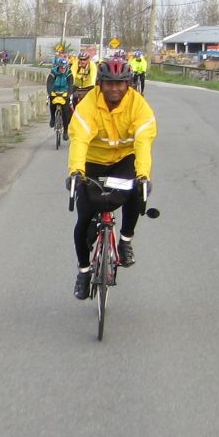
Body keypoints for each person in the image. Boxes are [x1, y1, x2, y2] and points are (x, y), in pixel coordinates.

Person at [65, 56, 157, 299]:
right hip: (92, 162)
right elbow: (79, 139)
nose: (114, 88)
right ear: (100, 84)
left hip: (123, 160)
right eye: (109, 83)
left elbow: (143, 141)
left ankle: (125, 240)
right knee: (84, 218)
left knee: (136, 190)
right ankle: (83, 272)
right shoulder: (88, 105)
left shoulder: (138, 105)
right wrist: (76, 172)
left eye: (120, 83)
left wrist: (143, 175)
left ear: (128, 84)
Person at [47, 56, 74, 138]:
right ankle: (52, 118)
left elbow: (71, 84)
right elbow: (49, 83)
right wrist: (49, 92)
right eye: (61, 67)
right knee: (52, 103)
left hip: (64, 91)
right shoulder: (54, 71)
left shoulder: (69, 72)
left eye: (64, 67)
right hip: (55, 90)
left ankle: (65, 131)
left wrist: (69, 94)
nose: (62, 69)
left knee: (65, 112)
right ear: (58, 66)